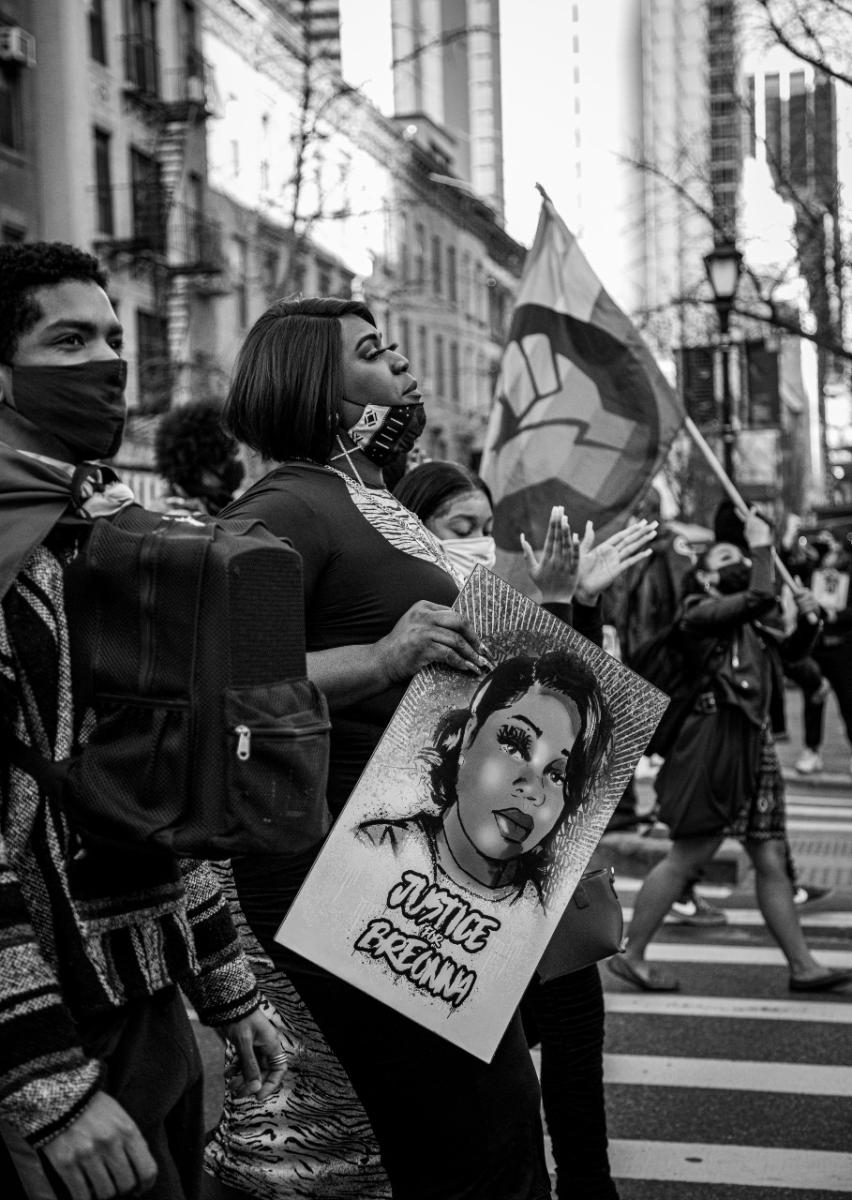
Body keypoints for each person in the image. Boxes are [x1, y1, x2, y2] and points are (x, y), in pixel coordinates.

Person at [215, 298, 551, 1200]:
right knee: (474, 1134)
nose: (400, 364)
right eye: (372, 352)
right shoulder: (284, 503)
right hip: (343, 857)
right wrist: (382, 657)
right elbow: (218, 682)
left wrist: (536, 604)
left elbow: (439, 646)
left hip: (420, 847)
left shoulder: (367, 500)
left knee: (492, 1125)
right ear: (319, 389)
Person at [0, 242, 285, 1200]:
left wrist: (223, 984)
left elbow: (159, 776)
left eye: (113, 339)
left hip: (145, 1006)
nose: (106, 367)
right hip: (46, 1032)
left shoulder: (106, 532)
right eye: (68, 339)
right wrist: (42, 1080)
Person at [394, 458, 656, 1200]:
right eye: (462, 529)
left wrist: (576, 605)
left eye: (488, 529)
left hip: (542, 886)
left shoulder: (509, 611)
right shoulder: (407, 626)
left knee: (575, 1051)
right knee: (492, 1089)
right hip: (446, 901)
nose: (481, 544)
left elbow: (583, 723)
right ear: (413, 531)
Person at [609, 510, 852, 995]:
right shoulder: (697, 613)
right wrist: (763, 547)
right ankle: (632, 954)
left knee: (771, 855)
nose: (738, 560)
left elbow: (794, 659)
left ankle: (803, 965)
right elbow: (759, 595)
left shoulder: (753, 626)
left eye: (741, 555)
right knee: (688, 854)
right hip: (717, 748)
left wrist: (809, 619)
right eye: (726, 556)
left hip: (753, 748)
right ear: (704, 575)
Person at [358, 647, 613, 904]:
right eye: (514, 746)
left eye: (559, 776)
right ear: (469, 736)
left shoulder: (536, 911)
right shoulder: (380, 847)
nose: (533, 790)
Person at [154, 398, 246, 516]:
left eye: (231, 457)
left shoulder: (216, 506)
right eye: (221, 462)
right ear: (196, 471)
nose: (231, 465)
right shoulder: (176, 517)